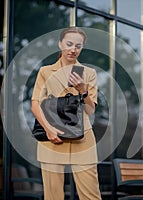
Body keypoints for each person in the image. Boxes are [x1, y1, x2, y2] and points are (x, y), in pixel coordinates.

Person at [31, 27, 102, 200]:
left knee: (91, 195)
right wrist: (48, 130)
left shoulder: (89, 73)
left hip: (83, 139)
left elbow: (90, 110)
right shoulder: (45, 71)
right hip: (52, 138)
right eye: (69, 44)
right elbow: (35, 104)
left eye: (78, 46)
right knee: (53, 196)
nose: (73, 49)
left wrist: (83, 90)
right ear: (60, 44)